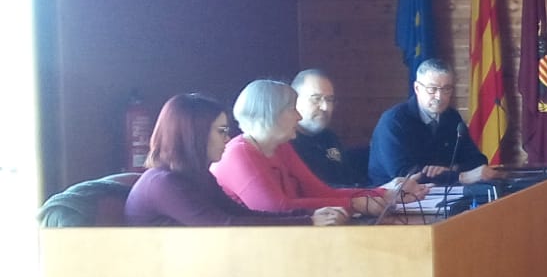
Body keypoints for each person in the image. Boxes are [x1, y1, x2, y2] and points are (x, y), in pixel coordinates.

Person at [125, 93, 345, 226]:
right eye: (221, 131)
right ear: (196, 135)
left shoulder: (195, 177)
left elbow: (240, 214)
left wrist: (310, 215)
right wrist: (308, 221)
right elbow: (225, 227)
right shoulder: (164, 183)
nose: (227, 138)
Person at [214, 80, 414, 217]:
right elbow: (276, 208)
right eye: (292, 109)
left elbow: (318, 191)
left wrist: (382, 194)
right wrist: (353, 204)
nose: (299, 117)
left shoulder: (281, 146)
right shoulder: (239, 153)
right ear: (271, 113)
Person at [368, 58, 502, 185]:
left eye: (446, 89)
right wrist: (461, 176)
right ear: (417, 89)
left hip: (444, 192)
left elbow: (477, 161)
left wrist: (451, 169)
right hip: (393, 197)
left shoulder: (451, 118)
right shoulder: (394, 122)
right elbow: (405, 175)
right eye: (432, 89)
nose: (439, 96)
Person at [289, 69, 365, 187]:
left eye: (329, 99)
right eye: (316, 98)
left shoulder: (330, 138)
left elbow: (349, 182)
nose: (325, 107)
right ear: (294, 101)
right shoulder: (286, 143)